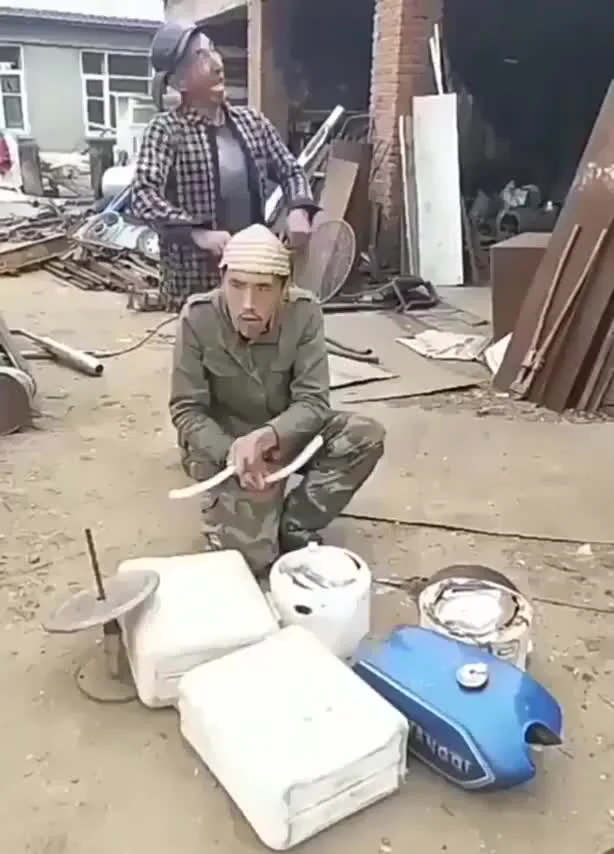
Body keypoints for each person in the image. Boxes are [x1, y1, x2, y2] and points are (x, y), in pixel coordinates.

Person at [169, 223, 385, 574]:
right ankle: (245, 512)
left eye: (263, 288)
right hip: (227, 446)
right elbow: (186, 409)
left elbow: (313, 401)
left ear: (284, 289)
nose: (248, 304)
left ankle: (296, 522)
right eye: (236, 285)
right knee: (250, 563)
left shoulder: (304, 312)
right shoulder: (198, 318)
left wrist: (270, 436)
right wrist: (229, 451)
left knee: (363, 435)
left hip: (286, 434)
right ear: (222, 280)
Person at [131, 20, 317, 311]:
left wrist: (299, 209)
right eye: (200, 56)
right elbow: (143, 196)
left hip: (253, 274)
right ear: (179, 82)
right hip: (195, 286)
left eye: (213, 49)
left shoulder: (252, 123)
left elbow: (291, 170)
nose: (217, 64)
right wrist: (198, 233)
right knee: (203, 339)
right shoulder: (166, 130)